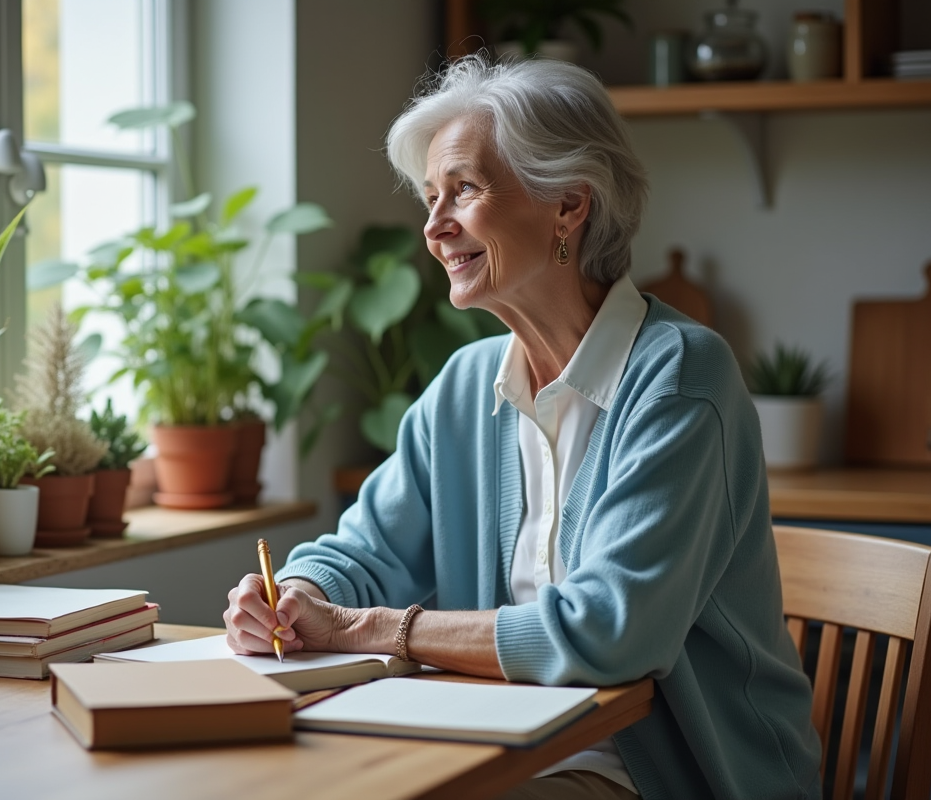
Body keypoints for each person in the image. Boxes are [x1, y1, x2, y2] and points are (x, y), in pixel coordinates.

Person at [224, 56, 821, 800]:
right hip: (499, 743)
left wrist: (374, 629)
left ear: (568, 205)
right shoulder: (466, 386)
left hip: (659, 769)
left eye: (464, 191)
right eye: (430, 197)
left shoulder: (680, 380)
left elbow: (610, 632)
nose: (434, 227)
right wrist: (294, 595)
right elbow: (366, 552)